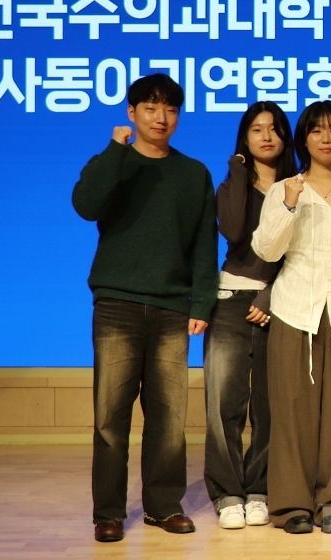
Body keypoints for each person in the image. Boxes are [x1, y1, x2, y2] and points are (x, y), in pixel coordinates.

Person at [71, 73, 217, 543]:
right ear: (131, 112)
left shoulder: (193, 173)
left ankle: (163, 505)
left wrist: (202, 300)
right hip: (118, 304)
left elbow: (203, 245)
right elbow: (86, 205)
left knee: (169, 419)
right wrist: (116, 151)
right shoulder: (113, 162)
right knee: (110, 417)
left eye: (170, 109)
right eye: (151, 108)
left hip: (172, 308)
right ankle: (108, 512)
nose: (161, 117)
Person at [251, 100, 331, 535]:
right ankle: (291, 504)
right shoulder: (285, 188)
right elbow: (267, 251)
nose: (325, 138)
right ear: (303, 139)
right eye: (316, 130)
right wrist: (289, 205)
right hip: (293, 310)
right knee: (291, 413)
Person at [205, 101, 296, 530]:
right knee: (224, 404)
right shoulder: (230, 185)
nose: (266, 136)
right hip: (229, 300)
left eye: (274, 128)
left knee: (269, 406)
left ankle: (259, 488)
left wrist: (271, 294)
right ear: (245, 137)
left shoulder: (298, 187)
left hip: (281, 303)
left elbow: (300, 253)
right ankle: (227, 493)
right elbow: (235, 230)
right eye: (257, 129)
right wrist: (238, 170)